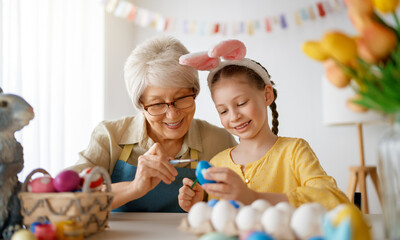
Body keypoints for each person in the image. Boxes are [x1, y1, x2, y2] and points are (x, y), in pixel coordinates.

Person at [69, 36, 237, 212]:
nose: (172, 115)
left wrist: (203, 203)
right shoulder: (109, 136)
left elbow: (241, 204)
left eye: (181, 98)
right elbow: (68, 198)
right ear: (140, 104)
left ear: (194, 91)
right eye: (157, 104)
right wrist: (134, 187)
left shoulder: (220, 141)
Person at [178, 39, 349, 211]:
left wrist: (254, 198)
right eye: (223, 111)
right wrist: (199, 204)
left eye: (242, 103)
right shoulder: (217, 164)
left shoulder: (294, 152)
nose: (234, 116)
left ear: (267, 95)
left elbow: (334, 200)